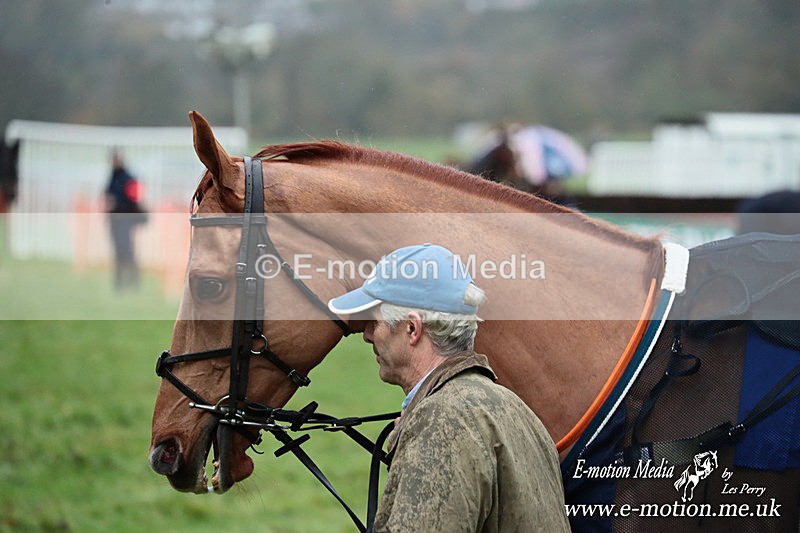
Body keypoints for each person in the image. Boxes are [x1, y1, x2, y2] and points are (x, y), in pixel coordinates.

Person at [328, 243, 569, 532]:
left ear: (412, 329)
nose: (367, 335)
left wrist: (426, 433)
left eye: (374, 322)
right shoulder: (516, 409)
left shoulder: (442, 421)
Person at [104, 150, 144, 291]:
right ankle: (120, 282)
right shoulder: (113, 177)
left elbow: (134, 199)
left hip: (125, 220)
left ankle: (133, 281)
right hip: (115, 220)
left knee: (126, 251)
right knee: (119, 252)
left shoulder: (127, 178)